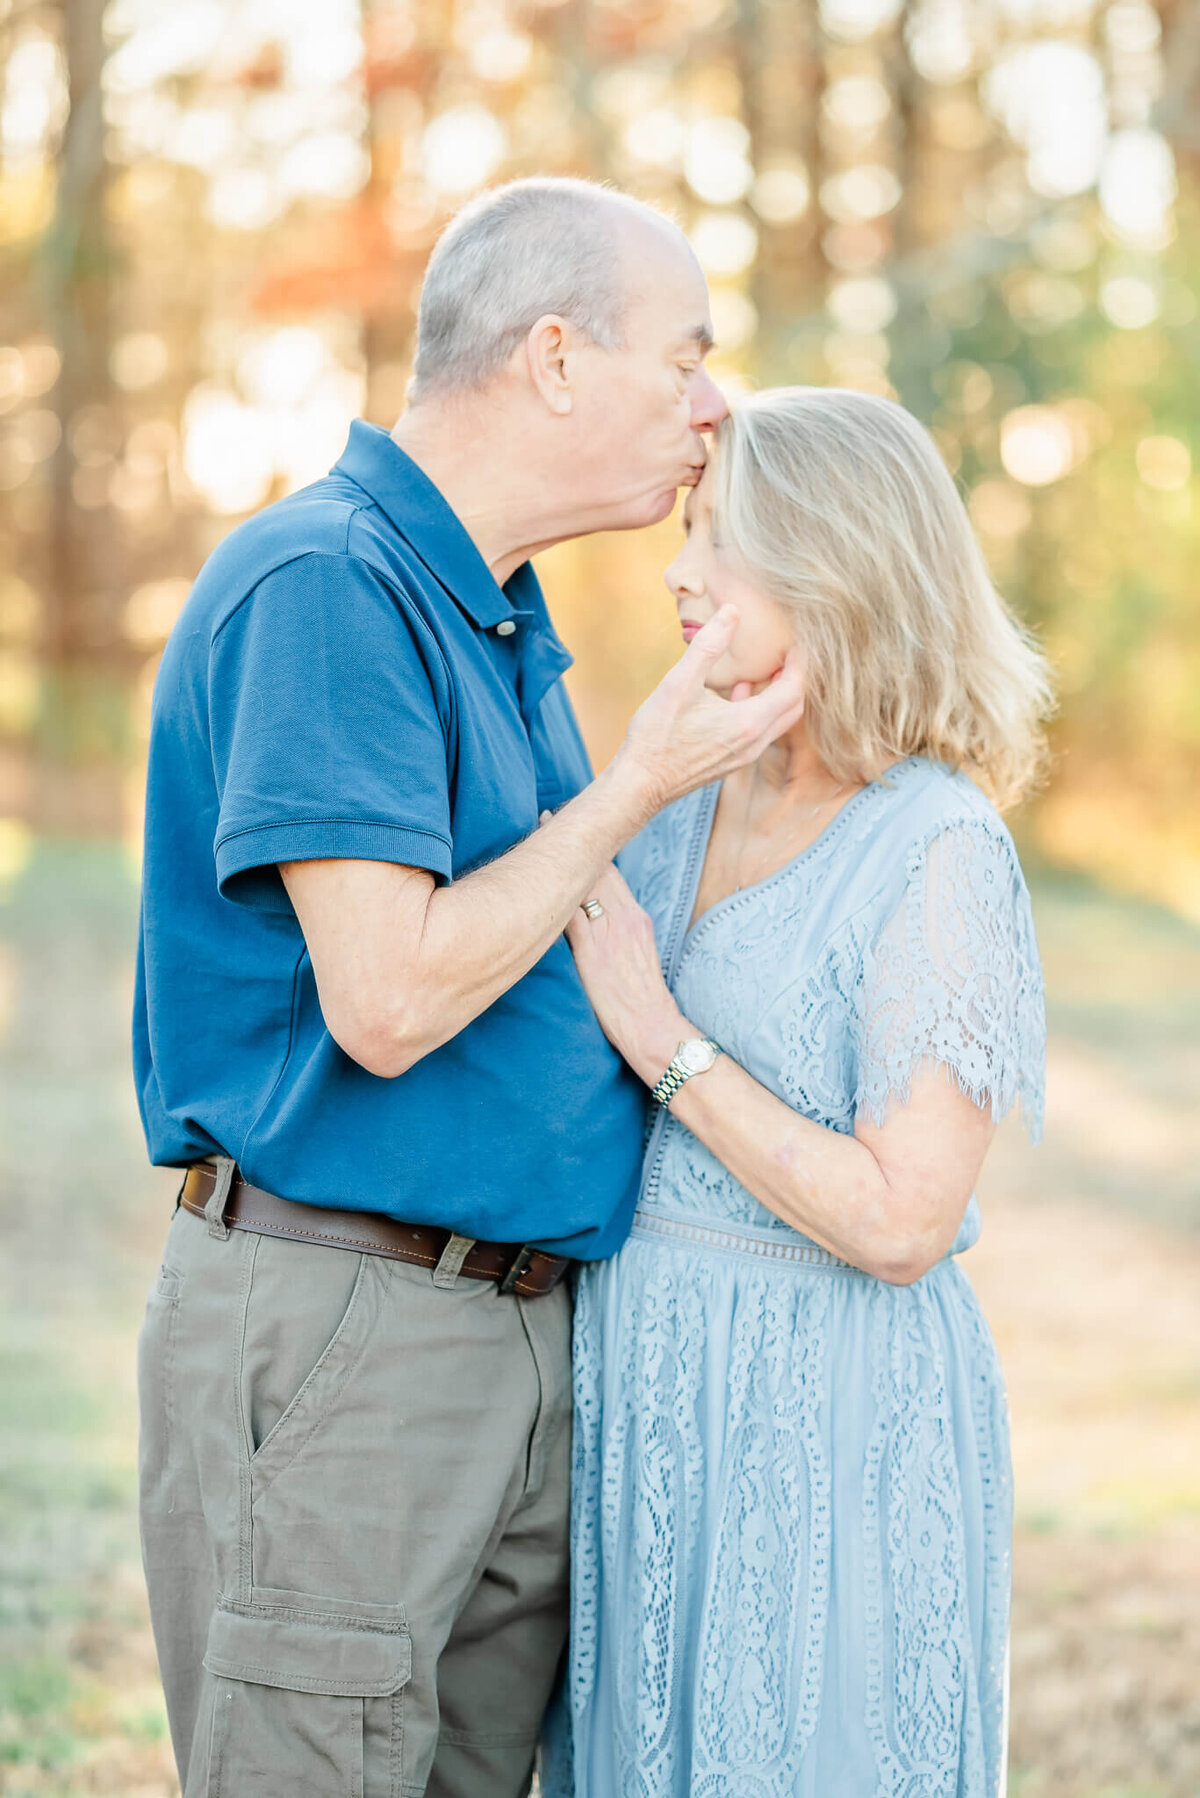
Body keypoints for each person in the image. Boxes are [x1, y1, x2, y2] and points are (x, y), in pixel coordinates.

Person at [132, 178, 807, 1798]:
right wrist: (638, 781)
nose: (713, 406)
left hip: (513, 1327)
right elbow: (389, 998)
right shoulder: (327, 586)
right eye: (687, 357)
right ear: (558, 358)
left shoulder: (498, 610)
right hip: (355, 1323)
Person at [545, 386, 1054, 1798]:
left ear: (830, 564)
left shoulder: (938, 844)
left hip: (830, 1411)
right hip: (654, 1388)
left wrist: (666, 1040)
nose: (676, 567)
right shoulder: (686, 785)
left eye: (720, 537)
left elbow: (904, 1217)